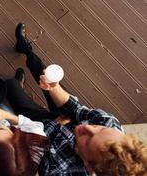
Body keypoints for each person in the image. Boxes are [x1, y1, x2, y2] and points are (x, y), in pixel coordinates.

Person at [14, 22, 147, 175]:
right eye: (99, 128)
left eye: (88, 140)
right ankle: (24, 48)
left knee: (12, 89)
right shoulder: (110, 124)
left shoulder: (62, 173)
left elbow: (28, 159)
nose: (87, 127)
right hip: (65, 115)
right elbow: (75, 109)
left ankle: (18, 87)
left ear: (89, 167)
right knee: (43, 72)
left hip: (36, 128)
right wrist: (54, 88)